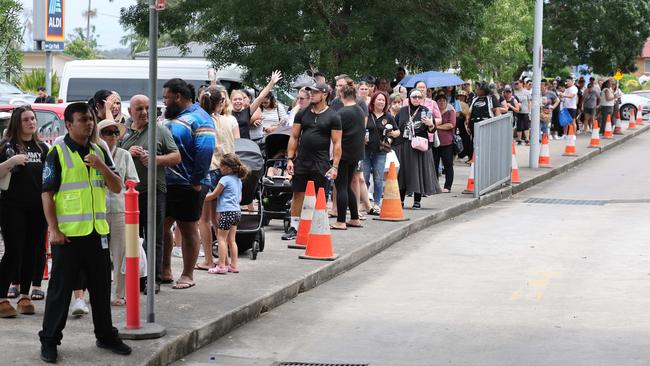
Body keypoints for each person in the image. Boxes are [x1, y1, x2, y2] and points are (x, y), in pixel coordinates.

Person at [39, 102, 131, 363]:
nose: (89, 124)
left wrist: (101, 166)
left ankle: (106, 336)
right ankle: (49, 340)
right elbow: (47, 194)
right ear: (69, 124)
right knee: (60, 290)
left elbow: (116, 187)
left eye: (90, 119)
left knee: (101, 289)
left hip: (97, 233)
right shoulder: (57, 152)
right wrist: (53, 230)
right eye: (82, 120)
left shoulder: (99, 149)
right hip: (67, 236)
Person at [120, 95, 181, 292]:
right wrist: (128, 152)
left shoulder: (160, 130)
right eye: (139, 108)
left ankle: (153, 279)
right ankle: (136, 278)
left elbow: (176, 156)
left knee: (154, 236)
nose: (144, 112)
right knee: (132, 238)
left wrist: (156, 159)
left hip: (154, 190)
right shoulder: (123, 132)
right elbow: (113, 156)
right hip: (128, 194)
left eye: (148, 108)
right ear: (130, 111)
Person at [161, 78, 215, 290]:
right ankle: (165, 269)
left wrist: (196, 181)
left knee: (187, 226)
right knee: (164, 226)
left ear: (178, 97)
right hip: (166, 182)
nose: (164, 101)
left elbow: (205, 151)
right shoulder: (170, 117)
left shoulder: (200, 118)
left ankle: (187, 274)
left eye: (166, 97)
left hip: (189, 184)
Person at [0, 106, 49, 318]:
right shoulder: (7, 146)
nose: (31, 122)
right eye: (26, 119)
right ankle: (1, 297)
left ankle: (24, 295)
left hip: (38, 208)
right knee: (14, 251)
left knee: (32, 251)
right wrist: (11, 162)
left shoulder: (43, 148)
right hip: (12, 207)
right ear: (17, 123)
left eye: (33, 119)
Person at [282, 82, 342, 241]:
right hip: (302, 160)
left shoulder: (333, 116)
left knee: (318, 195)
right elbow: (294, 137)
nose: (312, 94)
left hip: (321, 162)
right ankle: (294, 227)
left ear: (325, 94)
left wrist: (335, 166)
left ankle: (316, 227)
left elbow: (337, 143)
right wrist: (290, 159)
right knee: (298, 193)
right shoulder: (302, 113)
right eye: (311, 92)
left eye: (316, 92)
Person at [97, 119, 139, 305]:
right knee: (99, 255)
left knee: (120, 253)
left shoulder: (124, 155)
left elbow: (133, 180)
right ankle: (99, 292)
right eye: (108, 132)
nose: (113, 136)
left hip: (120, 209)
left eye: (115, 132)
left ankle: (119, 294)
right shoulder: (94, 154)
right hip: (98, 209)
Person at [196, 87, 237, 270]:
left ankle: (209, 260)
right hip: (228, 171)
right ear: (221, 103)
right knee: (217, 219)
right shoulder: (230, 120)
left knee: (203, 219)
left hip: (210, 169)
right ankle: (226, 260)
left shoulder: (202, 121)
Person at [394, 89, 441, 209]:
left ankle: (417, 200)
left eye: (419, 97)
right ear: (409, 98)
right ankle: (401, 200)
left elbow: (432, 130)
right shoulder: (403, 111)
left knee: (418, 173)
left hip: (419, 145)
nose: (417, 99)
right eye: (414, 97)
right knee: (403, 174)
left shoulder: (426, 111)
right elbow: (396, 127)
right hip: (403, 145)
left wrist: (431, 124)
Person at [205, 153, 248, 274]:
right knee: (232, 240)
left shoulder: (224, 179)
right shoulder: (238, 180)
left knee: (221, 239)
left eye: (221, 166)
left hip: (226, 212)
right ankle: (233, 266)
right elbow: (239, 198)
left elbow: (214, 195)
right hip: (236, 212)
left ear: (227, 168)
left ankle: (221, 266)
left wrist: (201, 198)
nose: (219, 168)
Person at [331, 84, 365, 230]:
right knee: (347, 185)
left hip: (343, 154)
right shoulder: (359, 110)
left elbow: (335, 135)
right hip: (356, 153)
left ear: (341, 95)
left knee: (341, 187)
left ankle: (340, 221)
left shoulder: (342, 113)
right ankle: (355, 218)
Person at [364, 91, 399, 210]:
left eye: (383, 100)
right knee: (364, 177)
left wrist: (392, 133)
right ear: (373, 101)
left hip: (381, 151)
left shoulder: (388, 116)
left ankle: (377, 203)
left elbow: (397, 131)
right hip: (365, 150)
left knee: (378, 178)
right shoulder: (367, 114)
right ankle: (365, 202)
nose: (381, 102)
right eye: (379, 99)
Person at [232, 70, 283, 140]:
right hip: (231, 143)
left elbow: (260, 97)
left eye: (240, 99)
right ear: (231, 101)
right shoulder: (227, 112)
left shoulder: (247, 111)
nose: (238, 101)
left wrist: (271, 83)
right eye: (235, 99)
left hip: (245, 144)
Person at [432, 94, 457, 193]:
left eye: (444, 101)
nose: (441, 102)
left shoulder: (450, 112)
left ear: (446, 103)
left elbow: (451, 125)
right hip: (434, 142)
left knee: (448, 165)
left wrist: (437, 126)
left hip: (447, 142)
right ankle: (435, 185)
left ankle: (448, 186)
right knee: (434, 164)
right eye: (439, 101)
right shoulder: (434, 113)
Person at [455, 90, 472, 161]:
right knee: (456, 138)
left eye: (462, 96)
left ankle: (465, 154)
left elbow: (467, 114)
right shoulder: (455, 103)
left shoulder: (466, 105)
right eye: (459, 96)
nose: (461, 97)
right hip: (456, 122)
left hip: (463, 123)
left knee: (465, 139)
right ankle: (458, 154)